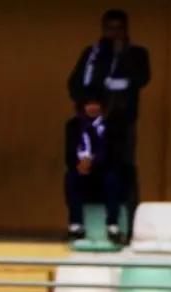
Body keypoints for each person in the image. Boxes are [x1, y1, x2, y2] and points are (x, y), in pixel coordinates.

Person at [67, 9, 150, 210]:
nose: (115, 34)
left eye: (119, 29)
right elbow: (75, 86)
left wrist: (123, 56)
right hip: (93, 124)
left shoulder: (137, 54)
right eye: (110, 29)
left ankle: (125, 222)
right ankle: (88, 221)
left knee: (122, 171)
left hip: (122, 125)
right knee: (88, 171)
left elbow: (141, 78)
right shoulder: (92, 55)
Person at [63, 94, 124, 244]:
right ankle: (76, 225)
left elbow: (114, 154)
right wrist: (79, 164)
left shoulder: (112, 127)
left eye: (96, 104)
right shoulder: (73, 125)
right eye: (89, 104)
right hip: (80, 171)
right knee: (70, 178)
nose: (93, 107)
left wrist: (93, 163)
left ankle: (112, 225)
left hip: (102, 171)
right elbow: (69, 152)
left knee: (113, 179)